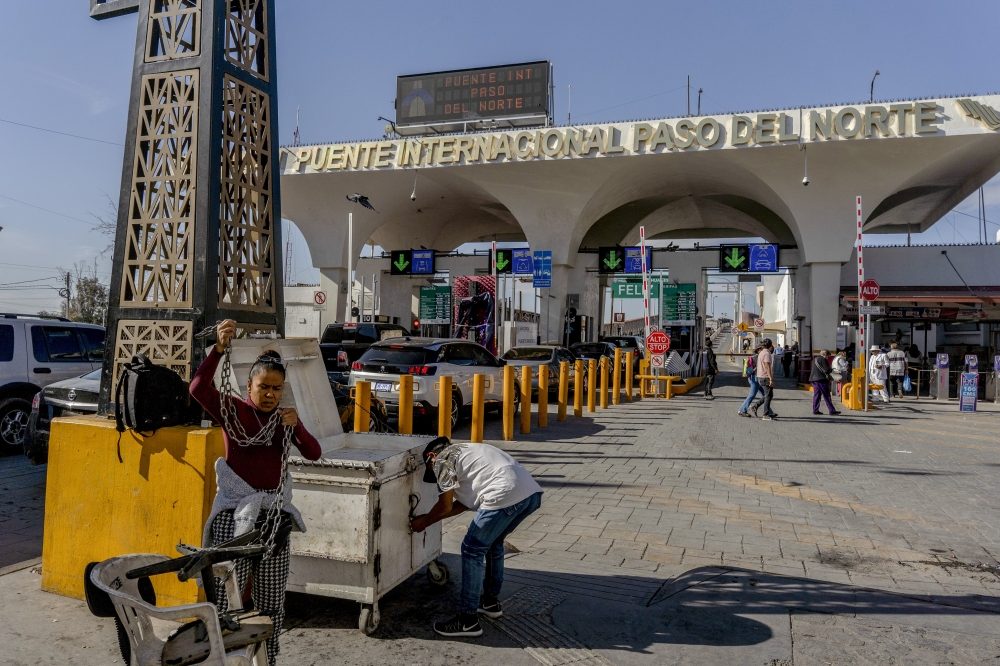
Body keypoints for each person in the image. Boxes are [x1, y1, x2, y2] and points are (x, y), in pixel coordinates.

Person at [190, 319, 322, 666]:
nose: (270, 395)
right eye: (264, 386)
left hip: (273, 521)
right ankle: (219, 657)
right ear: (249, 385)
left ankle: (268, 658)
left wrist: (299, 427)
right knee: (223, 596)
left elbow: (313, 453)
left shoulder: (284, 421)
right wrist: (218, 349)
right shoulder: (232, 410)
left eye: (277, 389)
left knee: (271, 601)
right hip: (232, 515)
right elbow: (198, 389)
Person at [412, 438, 543, 638]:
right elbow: (461, 505)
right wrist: (430, 518)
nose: (435, 475)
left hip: (503, 493)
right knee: (493, 543)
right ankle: (490, 602)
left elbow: (444, 505)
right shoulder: (468, 450)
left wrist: (423, 523)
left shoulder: (443, 459)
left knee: (471, 550)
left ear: (431, 456)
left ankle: (468, 620)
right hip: (531, 494)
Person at [809, 350, 841, 415]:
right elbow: (826, 370)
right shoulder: (823, 360)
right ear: (825, 354)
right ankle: (831, 410)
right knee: (827, 395)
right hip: (821, 380)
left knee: (817, 395)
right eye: (828, 356)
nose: (828, 357)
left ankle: (815, 410)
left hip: (814, 379)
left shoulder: (814, 360)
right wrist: (832, 370)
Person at [757, 339, 776, 420]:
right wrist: (771, 378)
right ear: (770, 345)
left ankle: (756, 406)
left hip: (760, 376)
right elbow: (767, 366)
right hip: (765, 377)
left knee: (769, 395)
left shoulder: (761, 352)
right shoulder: (767, 353)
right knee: (768, 396)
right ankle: (765, 414)